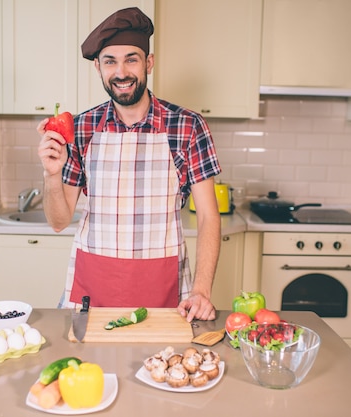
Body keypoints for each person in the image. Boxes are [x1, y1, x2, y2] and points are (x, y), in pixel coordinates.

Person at [36, 7, 221, 322]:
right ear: (98, 67)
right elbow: (58, 221)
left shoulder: (187, 125)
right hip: (94, 286)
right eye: (110, 61)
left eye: (131, 59)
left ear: (148, 62)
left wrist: (201, 290)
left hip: (164, 286)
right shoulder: (80, 128)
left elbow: (208, 216)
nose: (121, 72)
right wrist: (52, 176)